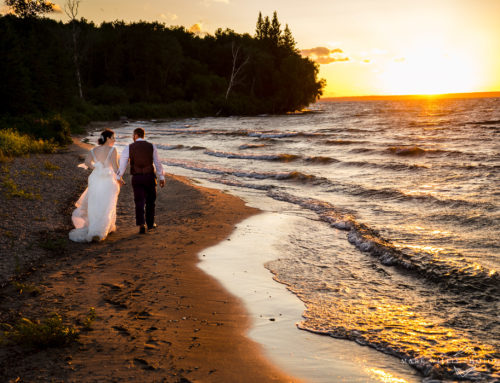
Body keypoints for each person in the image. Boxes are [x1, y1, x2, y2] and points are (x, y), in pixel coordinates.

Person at [69, 129, 121, 242]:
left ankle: (94, 229)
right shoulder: (113, 150)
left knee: (95, 203)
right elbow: (116, 167)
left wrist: (97, 168)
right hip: (108, 180)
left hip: (96, 178)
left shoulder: (93, 150)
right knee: (107, 204)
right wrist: (120, 179)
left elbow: (87, 162)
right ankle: (100, 231)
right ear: (108, 138)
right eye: (113, 137)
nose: (114, 140)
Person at [116, 127, 165, 234]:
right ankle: (151, 225)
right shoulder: (151, 146)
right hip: (150, 177)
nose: (132, 137)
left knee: (139, 201)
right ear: (143, 135)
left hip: (137, 178)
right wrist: (162, 177)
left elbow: (123, 164)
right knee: (151, 201)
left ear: (136, 135)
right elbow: (157, 162)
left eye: (133, 135)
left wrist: (119, 177)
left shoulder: (129, 147)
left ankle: (141, 224)